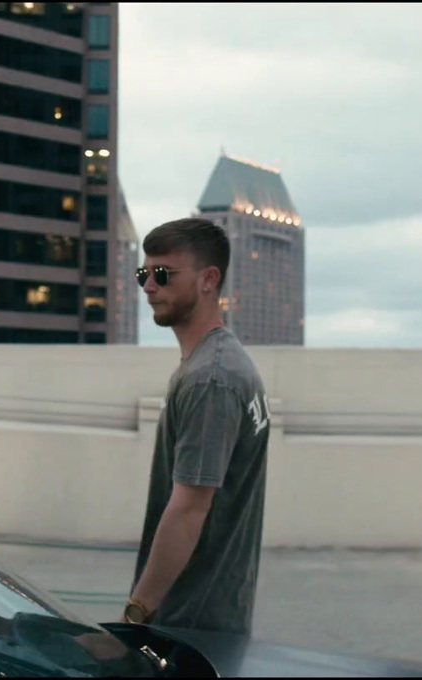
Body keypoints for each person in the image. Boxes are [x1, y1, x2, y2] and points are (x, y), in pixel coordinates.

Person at [121, 217, 271, 636]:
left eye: (163, 274)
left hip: (190, 622)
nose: (149, 286)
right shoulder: (216, 363)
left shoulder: (212, 378)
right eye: (143, 274)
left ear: (209, 280)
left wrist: (137, 612)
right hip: (208, 613)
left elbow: (189, 509)